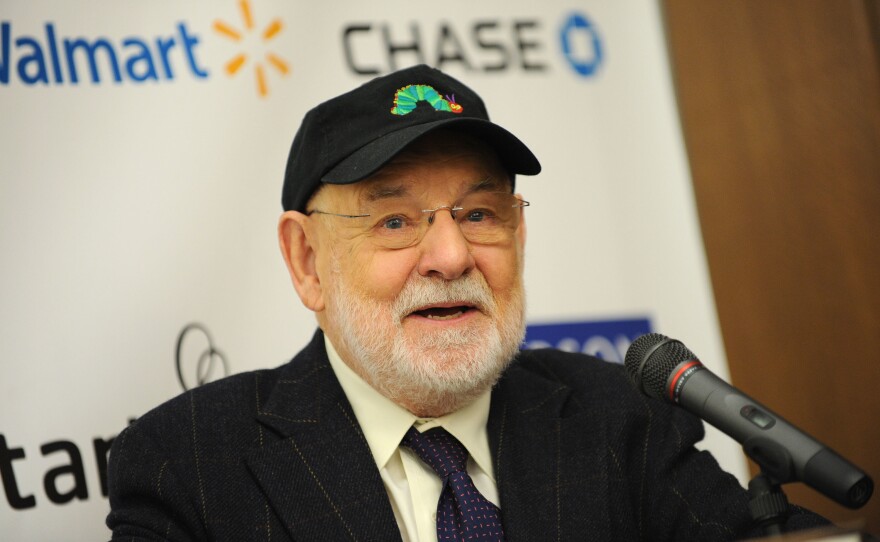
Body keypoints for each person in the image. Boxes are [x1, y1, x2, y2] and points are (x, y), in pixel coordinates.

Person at [106, 64, 827, 541]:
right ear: (305, 261)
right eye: (395, 221)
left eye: (480, 214)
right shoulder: (189, 463)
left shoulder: (617, 416)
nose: (452, 257)